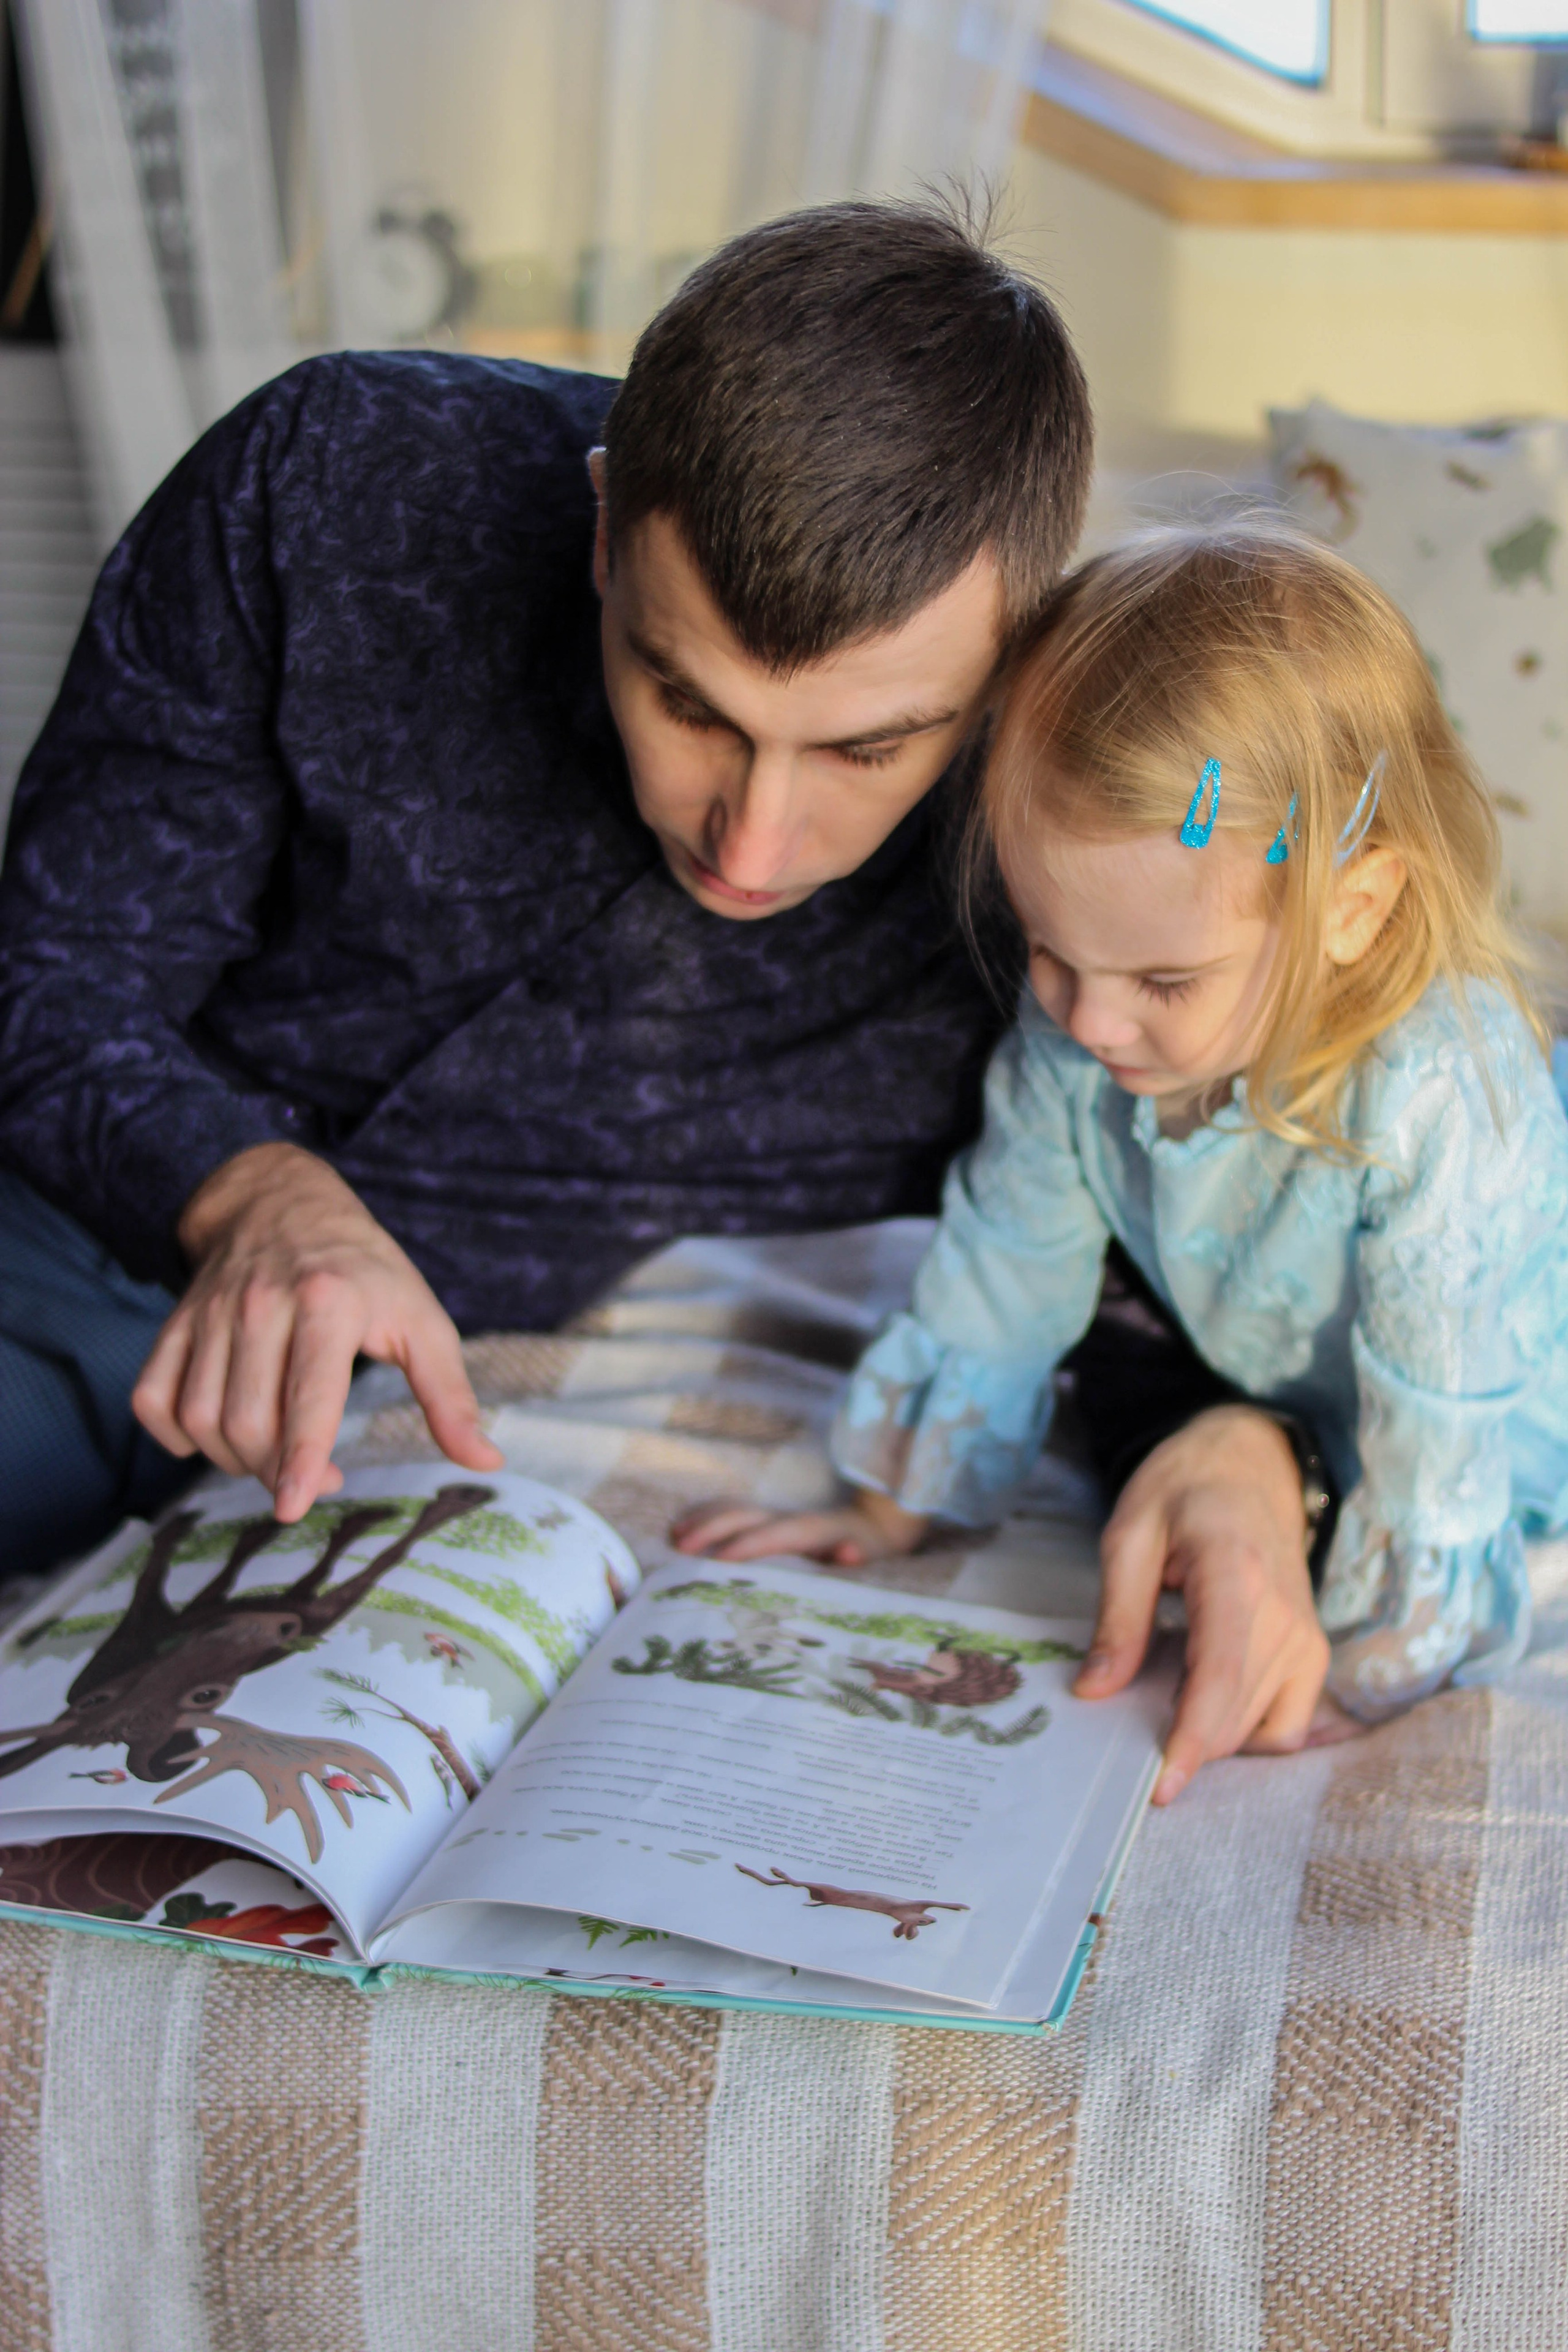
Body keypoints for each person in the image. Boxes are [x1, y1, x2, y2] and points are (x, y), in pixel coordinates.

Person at [0, 203, 1315, 1706]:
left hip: (420, 1451)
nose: (749, 847)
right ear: (605, 520)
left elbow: (1173, 1212)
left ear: (1012, 651)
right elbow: (52, 966)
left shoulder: (1088, 817)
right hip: (73, 1254)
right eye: (688, 703)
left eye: (867, 747)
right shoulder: (325, 485)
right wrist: (244, 1188)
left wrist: (1243, 1447)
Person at [677, 525, 1568, 1799]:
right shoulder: (1078, 1031)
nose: (1089, 1021)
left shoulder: (1439, 1098)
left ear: (1350, 910)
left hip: (1512, 1402)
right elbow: (1005, 1252)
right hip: (1282, 1385)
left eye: (1162, 979)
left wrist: (1367, 1661)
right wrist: (893, 1503)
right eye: (1046, 949)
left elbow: (1435, 1442)